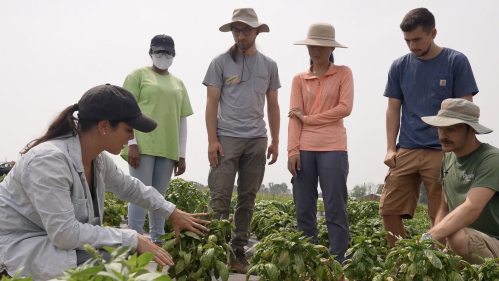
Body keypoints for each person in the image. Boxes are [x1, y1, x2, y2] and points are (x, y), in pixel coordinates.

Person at [0, 84, 208, 280]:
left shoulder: (97, 160)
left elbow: (130, 187)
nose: (132, 137)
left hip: (48, 241)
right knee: (112, 259)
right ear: (104, 127)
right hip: (19, 246)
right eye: (129, 130)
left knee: (119, 253)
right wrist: (132, 238)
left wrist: (172, 212)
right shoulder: (49, 161)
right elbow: (64, 233)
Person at [380, 7, 479, 247]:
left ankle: (431, 267)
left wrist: (459, 152)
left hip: (442, 150)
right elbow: (393, 109)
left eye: (417, 39)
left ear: (432, 33)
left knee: (440, 215)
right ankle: (402, 264)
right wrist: (390, 148)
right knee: (388, 209)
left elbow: (466, 109)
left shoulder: (456, 61)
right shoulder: (399, 66)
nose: (412, 46)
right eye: (407, 40)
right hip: (407, 147)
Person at [203, 8, 280, 273]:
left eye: (246, 29)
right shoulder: (220, 62)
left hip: (257, 138)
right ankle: (214, 252)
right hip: (227, 137)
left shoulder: (269, 65)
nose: (241, 35)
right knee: (220, 196)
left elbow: (273, 105)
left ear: (257, 31)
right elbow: (212, 103)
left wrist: (275, 140)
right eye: (236, 30)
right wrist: (212, 140)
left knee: (247, 198)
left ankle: (238, 252)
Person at [288, 22, 353, 265]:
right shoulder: (299, 79)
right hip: (304, 149)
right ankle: (310, 262)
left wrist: (308, 119)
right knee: (304, 208)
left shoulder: (343, 73)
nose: (317, 50)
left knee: (335, 207)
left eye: (323, 46)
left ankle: (337, 263)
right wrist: (292, 150)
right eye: (313, 45)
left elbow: (345, 109)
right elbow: (294, 118)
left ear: (331, 47)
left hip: (334, 147)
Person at [121, 34, 193, 244]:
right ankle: (134, 240)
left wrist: (181, 154)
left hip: (168, 149)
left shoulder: (178, 83)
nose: (163, 56)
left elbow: (182, 119)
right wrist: (132, 143)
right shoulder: (138, 76)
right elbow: (127, 111)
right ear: (151, 52)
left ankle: (158, 240)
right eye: (159, 51)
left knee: (159, 198)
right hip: (142, 146)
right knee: (139, 195)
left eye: (168, 52)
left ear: (174, 55)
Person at [420, 98, 499, 264]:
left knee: (456, 237)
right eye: (440, 129)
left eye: (451, 129)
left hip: (493, 241)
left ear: (470, 129)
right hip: (467, 240)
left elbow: (472, 208)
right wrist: (433, 248)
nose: (443, 136)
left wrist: (430, 236)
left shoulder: (491, 159)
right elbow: (444, 208)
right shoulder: (448, 158)